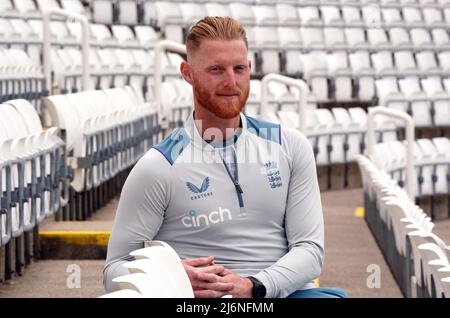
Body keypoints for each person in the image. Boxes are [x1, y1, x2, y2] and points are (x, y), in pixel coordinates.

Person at [103, 16, 347, 298]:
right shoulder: (158, 167)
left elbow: (310, 250)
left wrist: (255, 286)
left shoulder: (289, 146)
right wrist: (169, 276)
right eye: (216, 69)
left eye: (239, 68)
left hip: (276, 294)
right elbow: (114, 271)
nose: (231, 81)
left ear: (250, 69)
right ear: (188, 73)